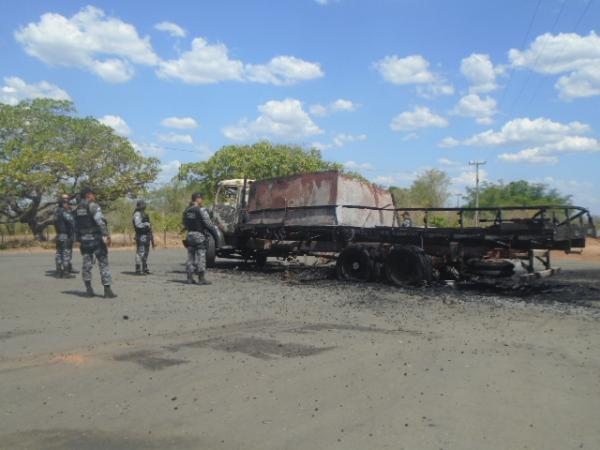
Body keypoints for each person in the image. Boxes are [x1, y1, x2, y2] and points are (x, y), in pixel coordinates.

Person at [74, 187, 117, 298]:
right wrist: (107, 235)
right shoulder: (93, 206)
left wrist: (78, 239)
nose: (94, 196)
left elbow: (75, 226)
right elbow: (100, 222)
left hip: (84, 241)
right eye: (93, 194)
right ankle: (107, 290)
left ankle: (88, 289)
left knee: (87, 265)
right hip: (96, 240)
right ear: (88, 195)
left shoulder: (77, 209)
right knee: (103, 264)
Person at [182, 193, 220, 285]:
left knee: (190, 258)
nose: (202, 200)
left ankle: (189, 278)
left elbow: (184, 223)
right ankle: (201, 278)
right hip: (199, 236)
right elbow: (209, 224)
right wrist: (216, 237)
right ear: (197, 199)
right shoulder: (201, 210)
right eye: (201, 198)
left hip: (189, 235)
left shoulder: (186, 211)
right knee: (201, 257)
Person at [54, 194, 76, 278]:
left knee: (58, 254)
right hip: (65, 235)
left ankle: (58, 271)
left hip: (58, 235)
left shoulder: (56, 212)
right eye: (67, 203)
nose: (68, 205)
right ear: (63, 204)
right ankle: (66, 273)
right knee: (66, 254)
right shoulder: (64, 212)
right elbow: (72, 222)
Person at [132, 199, 154, 275]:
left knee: (146, 252)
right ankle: (138, 269)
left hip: (146, 235)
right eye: (143, 205)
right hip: (141, 235)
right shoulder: (137, 214)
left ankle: (144, 267)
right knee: (140, 252)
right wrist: (146, 224)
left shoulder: (143, 213)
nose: (145, 206)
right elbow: (138, 225)